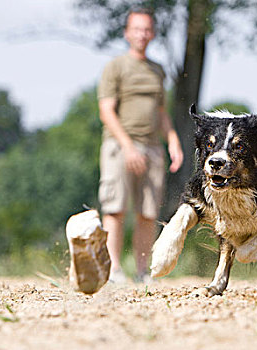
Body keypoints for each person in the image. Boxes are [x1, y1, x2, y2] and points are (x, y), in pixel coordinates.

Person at [97, 8, 184, 283]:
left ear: (153, 33)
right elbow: (106, 111)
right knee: (115, 208)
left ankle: (143, 272)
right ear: (126, 33)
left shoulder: (157, 70)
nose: (142, 34)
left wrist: (172, 141)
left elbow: (161, 112)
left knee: (148, 212)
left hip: (152, 148)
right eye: (136, 29)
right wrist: (128, 147)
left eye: (146, 29)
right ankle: (113, 271)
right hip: (119, 146)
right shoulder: (116, 67)